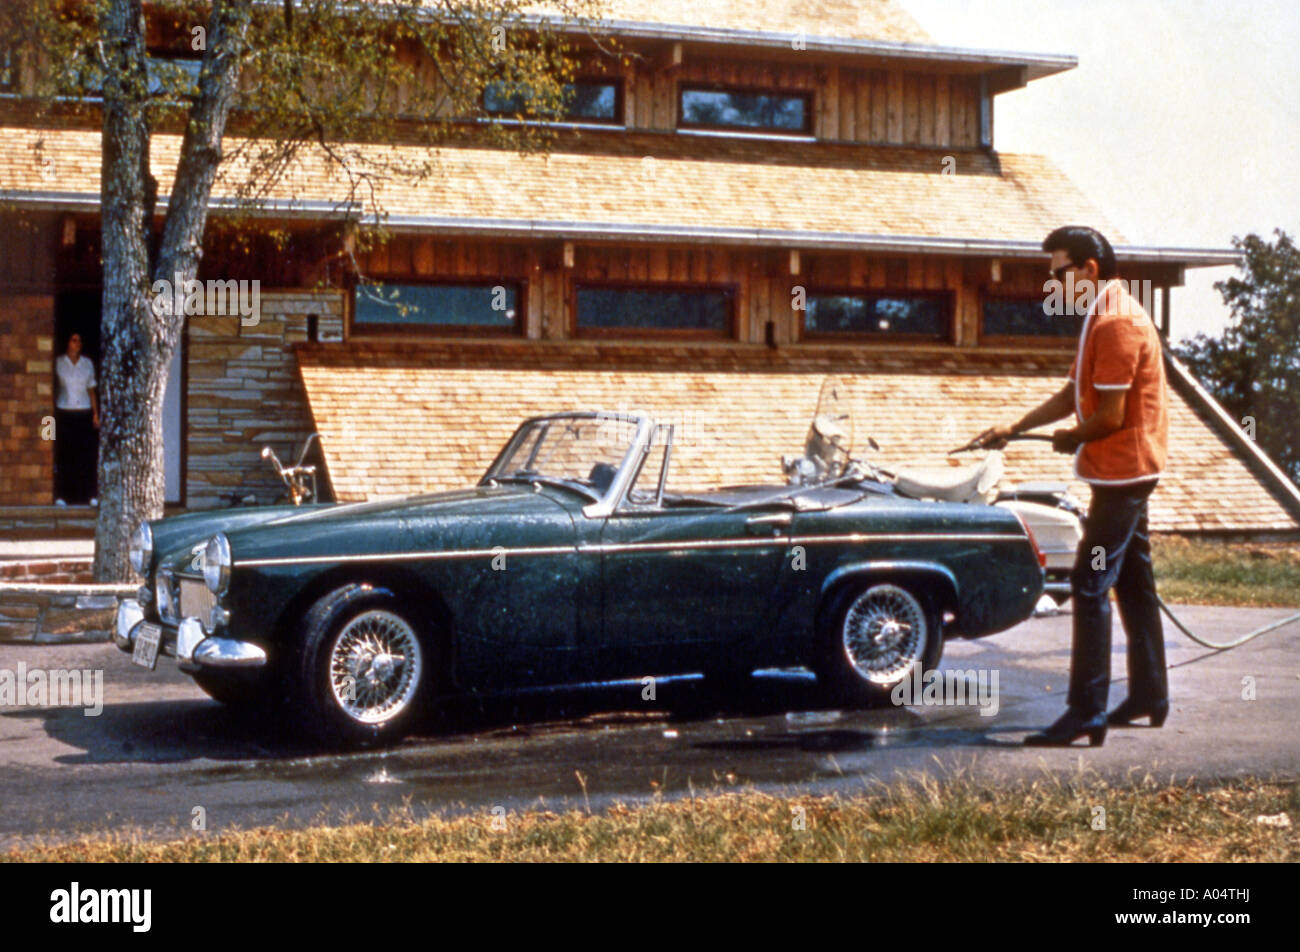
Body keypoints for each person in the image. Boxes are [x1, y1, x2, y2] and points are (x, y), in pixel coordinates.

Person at [972, 225, 1169, 747]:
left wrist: (1070, 437)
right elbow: (1071, 393)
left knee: (1087, 582)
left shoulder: (1116, 322)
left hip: (1124, 475)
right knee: (1133, 583)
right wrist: (1014, 428)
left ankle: (1086, 713)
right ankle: (1151, 695)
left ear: (1089, 271)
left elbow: (1108, 416)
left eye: (1059, 273)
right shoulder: (1104, 315)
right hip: (1127, 471)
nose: (1052, 283)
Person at [53, 332, 99, 506]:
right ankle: (62, 496)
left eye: (79, 340)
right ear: (67, 343)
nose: (77, 343)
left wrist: (96, 413)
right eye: (73, 340)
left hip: (84, 412)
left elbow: (91, 390)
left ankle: (90, 495)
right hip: (64, 413)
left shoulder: (87, 364)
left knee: (85, 455)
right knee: (65, 454)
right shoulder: (58, 363)